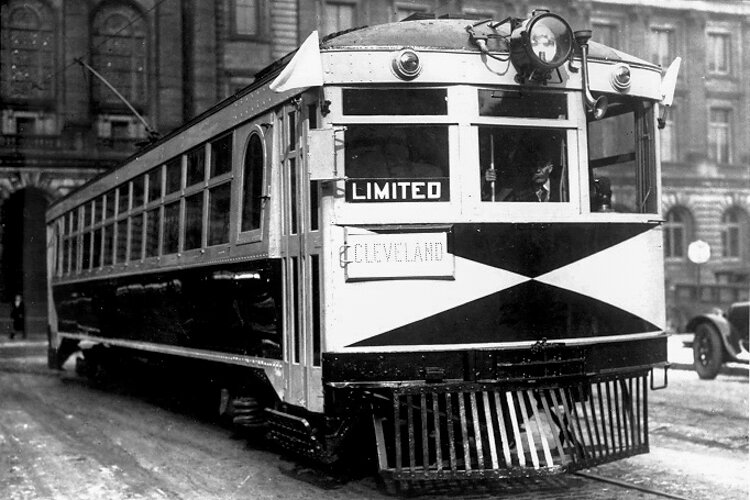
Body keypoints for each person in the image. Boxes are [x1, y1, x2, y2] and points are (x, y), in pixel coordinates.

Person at [485, 155, 558, 202]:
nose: (537, 170)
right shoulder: (519, 190)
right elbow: (493, 205)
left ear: (550, 169)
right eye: (534, 166)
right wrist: (487, 179)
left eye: (542, 166)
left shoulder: (562, 190)